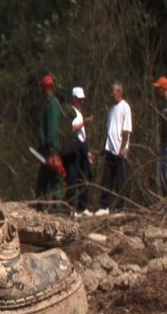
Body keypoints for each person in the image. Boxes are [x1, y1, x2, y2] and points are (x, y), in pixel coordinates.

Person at [96, 82, 132, 215]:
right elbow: (109, 130)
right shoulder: (111, 109)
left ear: (119, 92)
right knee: (106, 179)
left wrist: (123, 148)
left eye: (113, 91)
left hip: (119, 151)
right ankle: (104, 206)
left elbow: (126, 130)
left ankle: (120, 207)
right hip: (110, 150)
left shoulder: (125, 107)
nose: (111, 94)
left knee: (120, 181)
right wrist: (104, 148)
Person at [35, 74, 65, 205]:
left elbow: (52, 128)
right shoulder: (49, 104)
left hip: (51, 150)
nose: (41, 90)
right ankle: (41, 205)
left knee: (55, 180)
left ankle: (57, 208)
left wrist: (52, 150)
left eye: (42, 87)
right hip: (46, 149)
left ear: (47, 87)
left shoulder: (52, 105)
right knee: (44, 181)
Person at [65, 87, 93, 216]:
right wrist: (84, 123)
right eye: (78, 99)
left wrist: (88, 151)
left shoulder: (80, 113)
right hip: (73, 146)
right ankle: (70, 208)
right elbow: (71, 129)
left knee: (85, 176)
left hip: (82, 146)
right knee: (72, 177)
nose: (80, 102)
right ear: (73, 98)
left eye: (81, 100)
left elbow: (84, 134)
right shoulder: (70, 112)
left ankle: (83, 207)